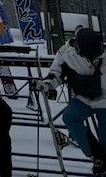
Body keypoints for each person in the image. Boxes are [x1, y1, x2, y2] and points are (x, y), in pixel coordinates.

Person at [37, 28, 106, 174]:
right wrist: (46, 84)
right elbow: (56, 74)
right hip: (83, 97)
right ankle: (96, 155)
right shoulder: (67, 54)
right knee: (70, 117)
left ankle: (103, 158)